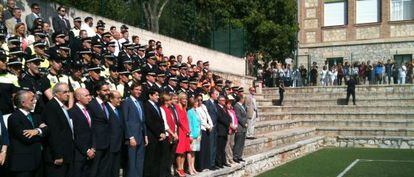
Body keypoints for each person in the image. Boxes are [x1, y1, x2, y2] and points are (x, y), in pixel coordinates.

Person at [8, 90, 46, 177]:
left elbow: (47, 130)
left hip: (38, 161)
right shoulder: (14, 118)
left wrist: (37, 131)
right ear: (23, 103)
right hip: (23, 164)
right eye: (31, 100)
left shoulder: (36, 116)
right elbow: (26, 138)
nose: (34, 101)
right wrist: (41, 132)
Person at [42, 83, 74, 177]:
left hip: (66, 153)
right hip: (57, 157)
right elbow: (53, 133)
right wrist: (58, 155)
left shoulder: (61, 106)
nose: (68, 94)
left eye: (68, 91)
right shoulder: (52, 107)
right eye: (65, 92)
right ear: (56, 94)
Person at [122, 83, 147, 177]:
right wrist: (130, 137)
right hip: (132, 136)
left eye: (140, 90)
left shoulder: (140, 103)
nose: (138, 92)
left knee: (140, 160)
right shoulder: (126, 102)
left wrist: (145, 135)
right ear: (131, 90)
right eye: (136, 89)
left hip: (140, 135)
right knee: (132, 162)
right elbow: (125, 120)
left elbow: (142, 120)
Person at [87, 81, 111, 177]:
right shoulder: (91, 104)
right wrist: (92, 145)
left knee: (104, 171)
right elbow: (90, 126)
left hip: (107, 143)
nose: (108, 92)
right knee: (94, 171)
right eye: (105, 90)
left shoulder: (106, 105)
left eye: (108, 90)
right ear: (97, 92)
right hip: (97, 144)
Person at [69, 88, 95, 177]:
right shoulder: (72, 112)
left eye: (89, 95)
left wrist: (92, 148)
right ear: (78, 98)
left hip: (91, 152)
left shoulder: (89, 110)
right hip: (79, 153)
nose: (89, 98)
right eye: (86, 95)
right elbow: (74, 134)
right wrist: (86, 150)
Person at [143, 89, 166, 177]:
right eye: (156, 95)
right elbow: (149, 121)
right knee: (150, 159)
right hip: (152, 136)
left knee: (157, 159)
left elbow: (161, 121)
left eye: (158, 95)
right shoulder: (146, 105)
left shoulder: (156, 105)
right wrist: (158, 133)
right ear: (150, 96)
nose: (157, 97)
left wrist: (163, 133)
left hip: (160, 136)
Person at [159, 93, 178, 177]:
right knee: (165, 156)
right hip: (167, 135)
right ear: (166, 101)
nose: (172, 101)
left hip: (173, 135)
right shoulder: (162, 109)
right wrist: (173, 134)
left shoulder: (170, 109)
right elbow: (165, 124)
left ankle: (168, 173)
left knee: (171, 156)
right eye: (170, 100)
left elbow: (174, 122)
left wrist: (176, 132)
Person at [106, 90, 124, 177]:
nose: (120, 100)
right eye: (118, 98)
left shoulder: (119, 110)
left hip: (118, 145)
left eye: (120, 98)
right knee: (108, 169)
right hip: (109, 145)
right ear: (111, 99)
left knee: (115, 169)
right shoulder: (106, 109)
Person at [195, 94, 213, 171]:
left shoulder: (204, 107)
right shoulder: (196, 109)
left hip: (207, 129)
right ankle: (201, 166)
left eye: (201, 100)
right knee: (202, 148)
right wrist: (208, 126)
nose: (200, 102)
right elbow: (200, 120)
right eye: (198, 100)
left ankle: (206, 165)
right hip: (202, 129)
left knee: (206, 147)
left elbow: (208, 116)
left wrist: (211, 125)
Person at [175, 92, 191, 177]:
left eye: (186, 98)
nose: (185, 100)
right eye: (183, 98)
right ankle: (179, 168)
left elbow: (186, 120)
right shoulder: (177, 107)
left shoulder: (185, 108)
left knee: (184, 151)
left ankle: (182, 168)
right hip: (181, 131)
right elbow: (180, 121)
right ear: (180, 98)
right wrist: (186, 130)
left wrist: (189, 130)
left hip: (186, 132)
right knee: (180, 151)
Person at [203, 89, 219, 169]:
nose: (217, 96)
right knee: (211, 145)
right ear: (212, 94)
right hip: (210, 128)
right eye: (216, 94)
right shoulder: (207, 103)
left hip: (215, 128)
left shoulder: (215, 103)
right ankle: (210, 164)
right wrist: (209, 126)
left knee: (214, 145)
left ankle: (213, 162)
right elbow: (206, 116)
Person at [187, 98, 201, 175]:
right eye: (195, 102)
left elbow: (199, 123)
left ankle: (193, 167)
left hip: (197, 134)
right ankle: (189, 168)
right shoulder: (189, 112)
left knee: (194, 152)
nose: (197, 103)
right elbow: (189, 124)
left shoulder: (196, 111)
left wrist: (200, 134)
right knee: (190, 151)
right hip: (192, 134)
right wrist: (190, 135)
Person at [215, 96, 230, 168]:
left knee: (223, 147)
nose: (224, 101)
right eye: (222, 100)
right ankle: (219, 162)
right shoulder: (217, 107)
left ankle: (224, 161)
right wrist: (229, 123)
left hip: (225, 130)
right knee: (219, 147)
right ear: (219, 101)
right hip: (220, 130)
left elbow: (228, 117)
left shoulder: (224, 108)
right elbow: (220, 118)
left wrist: (229, 122)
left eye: (224, 100)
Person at [233, 95, 247, 163]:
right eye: (243, 98)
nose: (244, 99)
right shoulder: (236, 106)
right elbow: (238, 117)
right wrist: (244, 124)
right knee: (238, 142)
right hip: (240, 127)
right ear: (240, 99)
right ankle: (235, 156)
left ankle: (239, 156)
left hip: (244, 127)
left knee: (242, 142)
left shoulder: (242, 106)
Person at [224, 99, 237, 165]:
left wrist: (236, 126)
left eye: (230, 104)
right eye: (228, 104)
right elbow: (227, 121)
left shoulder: (232, 111)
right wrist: (231, 127)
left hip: (234, 130)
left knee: (232, 144)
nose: (229, 105)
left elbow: (235, 119)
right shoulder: (225, 111)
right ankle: (228, 159)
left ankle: (231, 158)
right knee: (227, 145)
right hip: (229, 130)